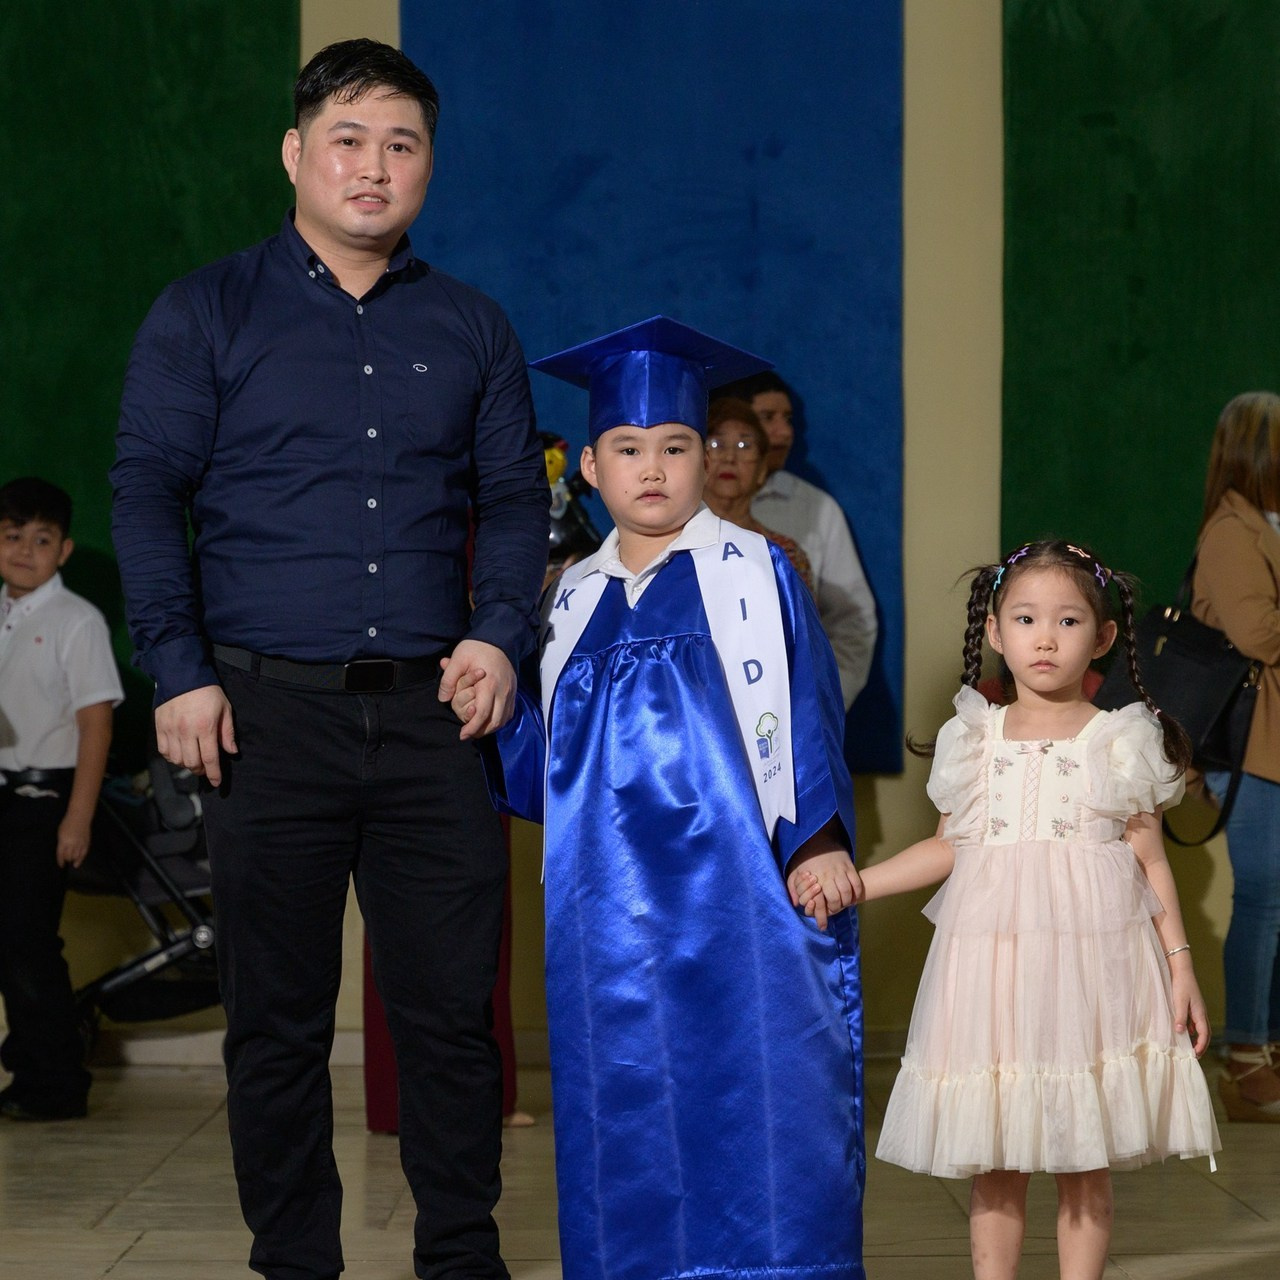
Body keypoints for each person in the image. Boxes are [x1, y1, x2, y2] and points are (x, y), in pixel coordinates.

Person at [110, 38, 548, 1280]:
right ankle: (293, 1261)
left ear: (427, 168)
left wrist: (499, 632)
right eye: (348, 139)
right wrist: (179, 668)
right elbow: (147, 492)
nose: (374, 165)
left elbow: (514, 502)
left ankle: (461, 1256)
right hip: (260, 714)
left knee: (452, 1020)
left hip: (433, 718)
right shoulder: (206, 309)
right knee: (277, 1026)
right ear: (296, 154)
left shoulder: (472, 325)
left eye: (401, 143)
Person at [453, 315, 867, 1280]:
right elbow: (542, 774)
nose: (653, 469)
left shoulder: (754, 573)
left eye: (676, 447)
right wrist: (493, 713)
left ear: (709, 461)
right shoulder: (568, 599)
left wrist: (816, 840)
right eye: (628, 449)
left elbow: (806, 709)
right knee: (627, 1103)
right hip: (608, 911)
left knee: (765, 1097)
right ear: (589, 469)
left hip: (741, 890)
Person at [812, 540, 1218, 1280]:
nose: (1045, 636)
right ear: (996, 631)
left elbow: (1150, 861)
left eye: (1067, 621)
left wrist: (1181, 967)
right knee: (994, 1153)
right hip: (991, 978)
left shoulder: (1119, 741)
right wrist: (861, 883)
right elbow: (950, 848)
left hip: (1092, 978)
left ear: (1100, 637)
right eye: (1026, 618)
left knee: (1083, 1154)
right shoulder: (975, 739)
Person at [0, 477, 122, 1121]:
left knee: (27, 939)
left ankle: (58, 1081)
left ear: (65, 550)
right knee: (8, 940)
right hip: (3, 797)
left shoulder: (78, 621)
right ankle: (29, 1071)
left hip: (46, 801)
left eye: (41, 539)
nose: (25, 550)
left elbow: (95, 725)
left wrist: (76, 819)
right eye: (12, 535)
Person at [1191, 390, 1280, 1121]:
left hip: (1273, 743)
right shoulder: (1232, 529)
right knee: (1263, 895)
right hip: (1252, 745)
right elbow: (1258, 635)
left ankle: (1267, 1049)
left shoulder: (1265, 526)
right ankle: (1245, 1055)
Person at [718, 370, 877, 709]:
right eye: (767, 418)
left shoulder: (796, 535)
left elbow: (847, 624)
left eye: (788, 419)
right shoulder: (674, 536)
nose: (784, 432)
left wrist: (820, 707)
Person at [702, 396, 815, 592]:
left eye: (744, 446)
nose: (729, 457)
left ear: (762, 469)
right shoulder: (669, 548)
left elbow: (801, 622)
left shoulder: (786, 555)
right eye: (716, 444)